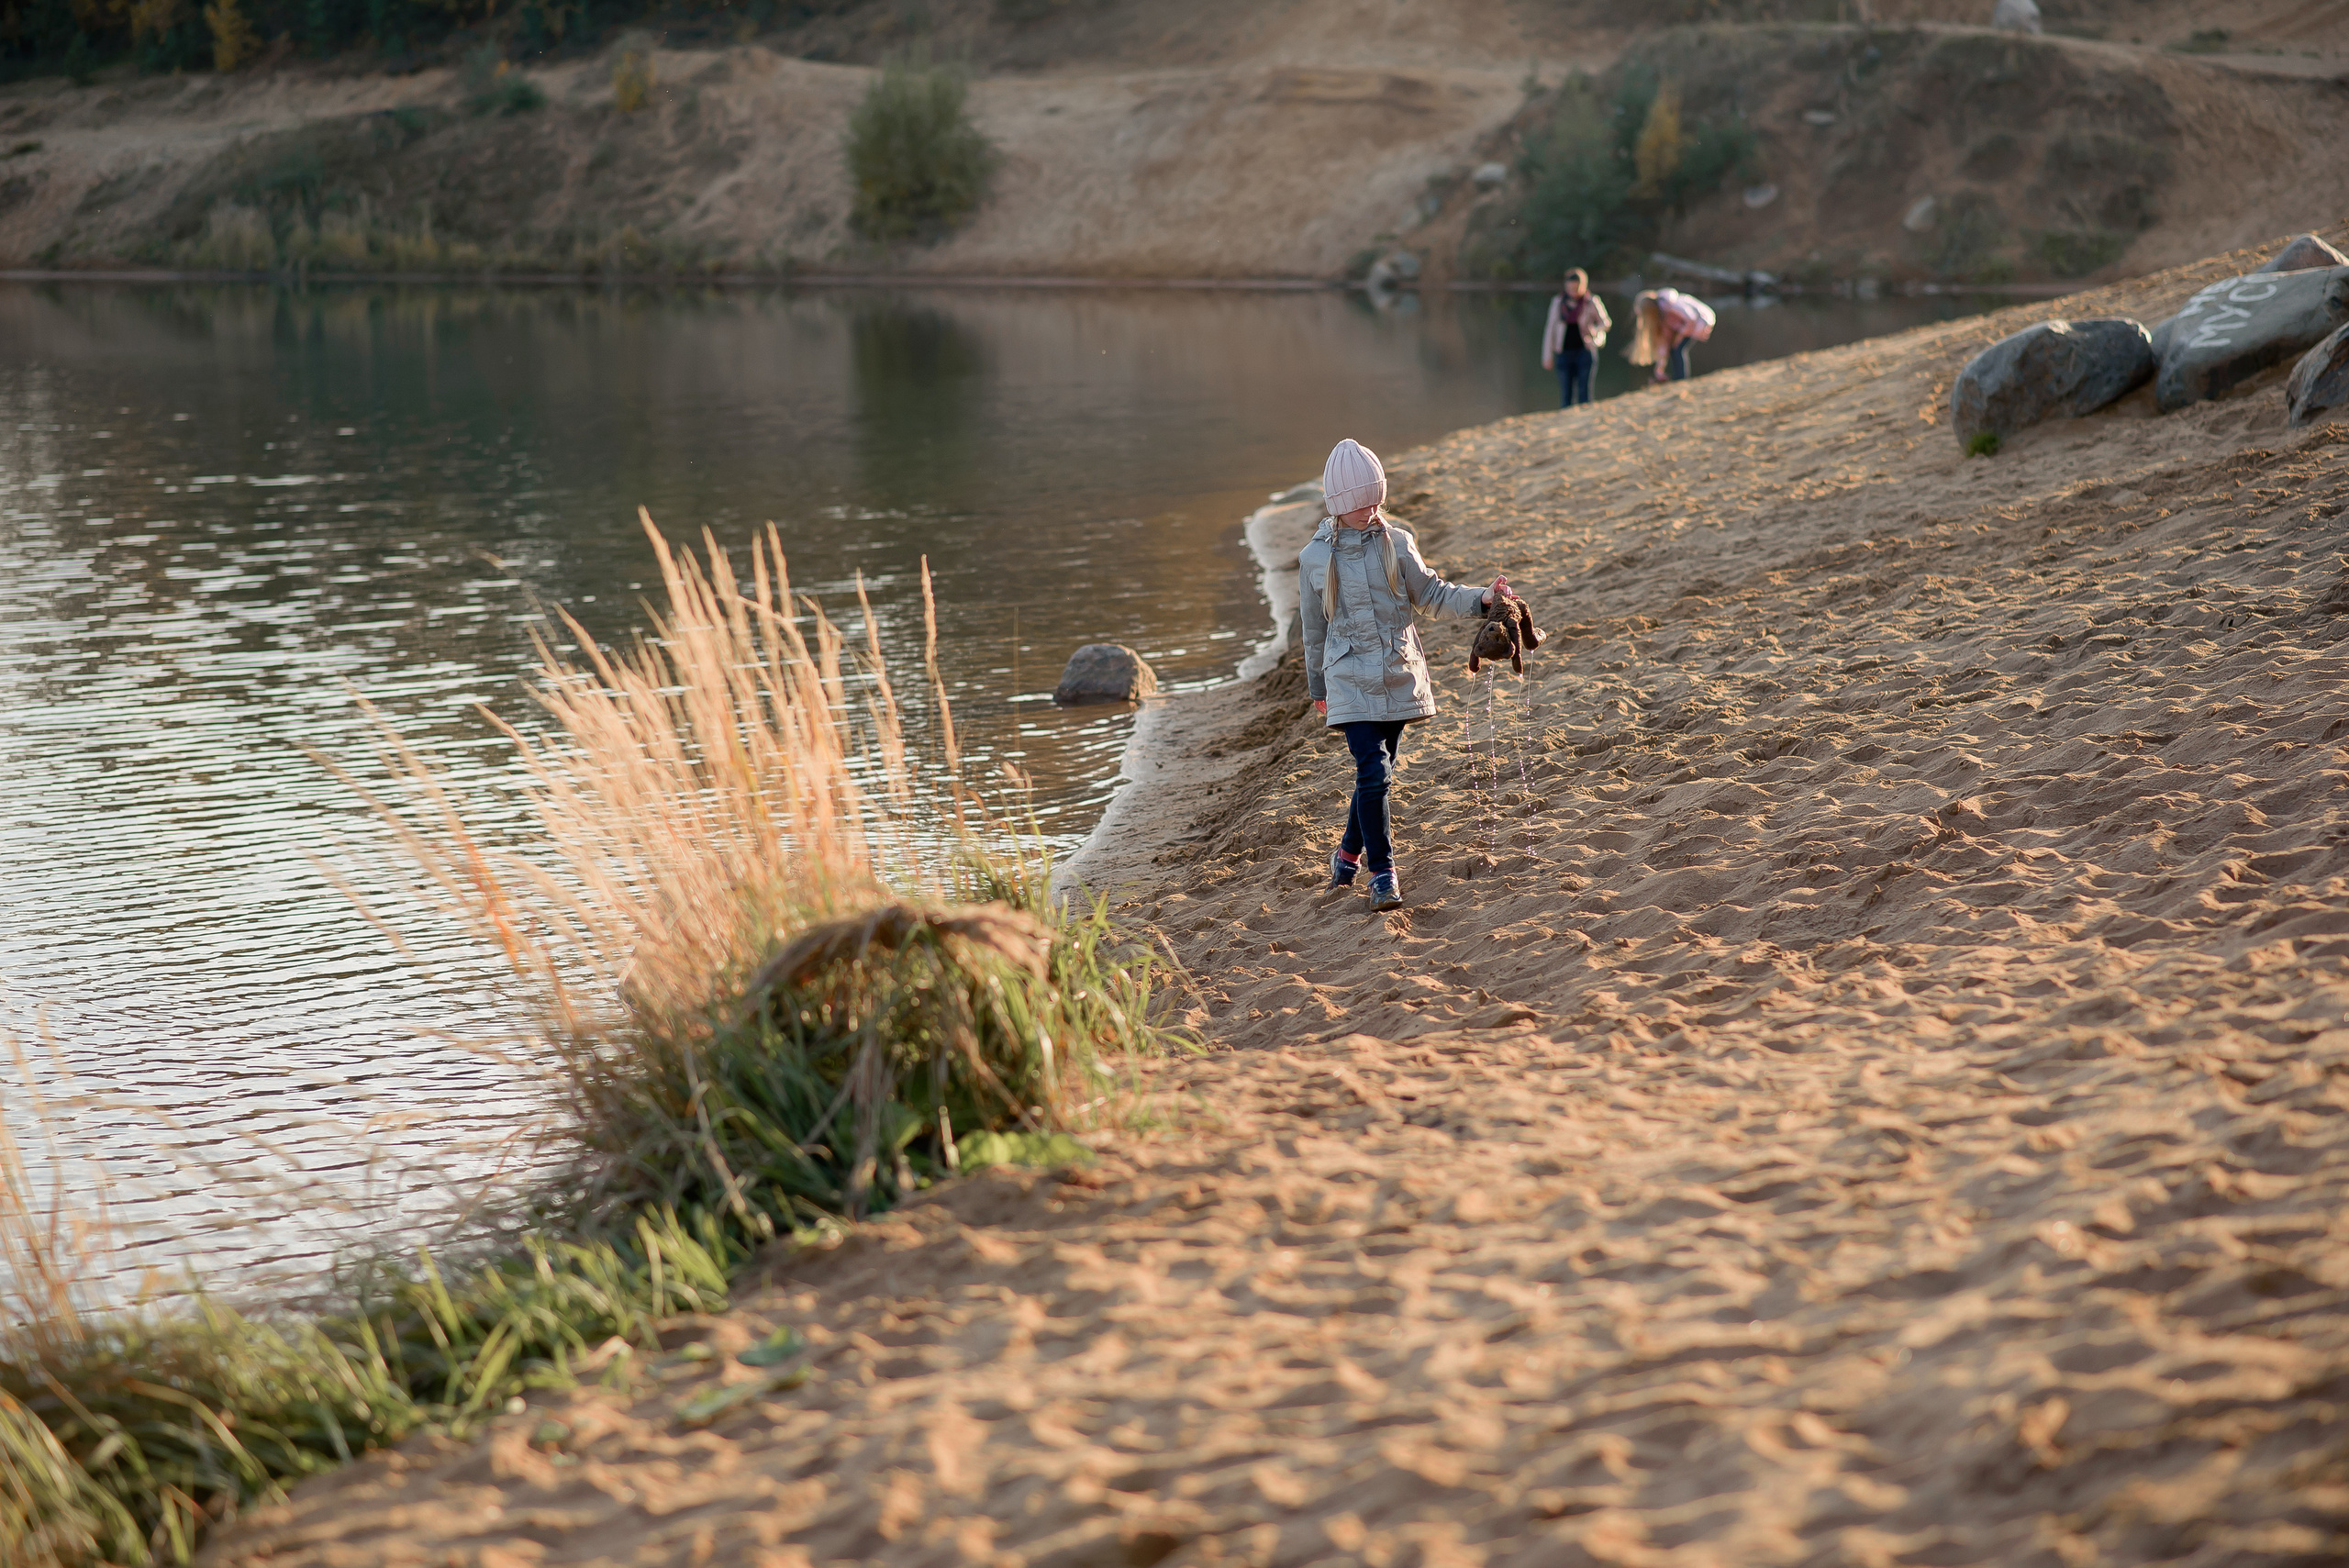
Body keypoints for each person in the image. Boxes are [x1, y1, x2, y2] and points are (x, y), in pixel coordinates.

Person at [1298, 438, 1503, 913]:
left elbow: (1432, 594)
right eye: (1359, 500)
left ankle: (1346, 855)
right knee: (1373, 773)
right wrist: (1319, 688)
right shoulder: (1314, 558)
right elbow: (1313, 629)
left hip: (1396, 671)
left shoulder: (1396, 542)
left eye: (1376, 497)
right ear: (1338, 504)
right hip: (1347, 678)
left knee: (1378, 776)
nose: (1370, 507)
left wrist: (1482, 600)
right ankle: (1382, 874)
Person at [1540, 268, 1610, 407]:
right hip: (1563, 353)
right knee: (1566, 395)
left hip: (1585, 352)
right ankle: (1567, 423)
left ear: (1583, 286)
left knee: (1585, 394)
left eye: (1576, 288)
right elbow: (1550, 329)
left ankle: (1585, 422)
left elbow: (1605, 323)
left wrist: (1594, 330)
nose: (1573, 291)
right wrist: (1547, 356)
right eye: (1570, 288)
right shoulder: (1558, 302)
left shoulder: (1591, 301)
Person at [1628, 286, 1716, 384]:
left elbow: (1691, 319)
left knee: (1677, 350)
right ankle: (1678, 379)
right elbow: (1664, 345)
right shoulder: (1661, 316)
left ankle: (1680, 379)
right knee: (1675, 349)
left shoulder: (1668, 305)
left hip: (1701, 321)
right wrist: (1659, 371)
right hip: (1692, 325)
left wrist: (1679, 338)